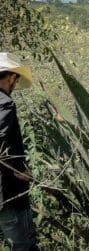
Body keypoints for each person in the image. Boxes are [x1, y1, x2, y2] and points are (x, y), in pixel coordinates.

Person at [0, 53, 38, 250]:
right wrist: (17, 169)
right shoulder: (4, 103)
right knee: (23, 244)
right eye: (15, 79)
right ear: (11, 77)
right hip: (8, 192)